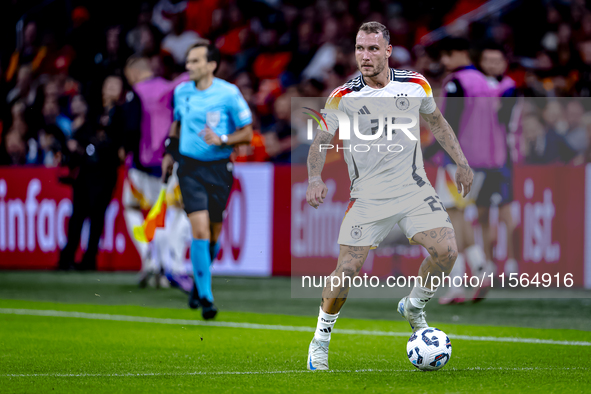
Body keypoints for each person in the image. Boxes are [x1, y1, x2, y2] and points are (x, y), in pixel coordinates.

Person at [305, 22, 473, 371]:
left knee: (447, 251)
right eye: (359, 48)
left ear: (387, 51)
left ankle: (414, 305)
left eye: (372, 49)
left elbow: (438, 123)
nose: (364, 56)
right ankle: (320, 340)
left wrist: (461, 162)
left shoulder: (415, 84)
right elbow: (321, 140)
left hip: (414, 189)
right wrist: (314, 177)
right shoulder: (342, 96)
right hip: (368, 197)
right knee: (348, 268)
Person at [161, 42, 253, 319]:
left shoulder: (228, 93)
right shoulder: (181, 91)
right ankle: (207, 297)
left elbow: (247, 133)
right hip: (188, 168)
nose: (188, 66)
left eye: (195, 61)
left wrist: (223, 139)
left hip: (219, 169)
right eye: (188, 61)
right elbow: (177, 123)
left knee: (213, 234)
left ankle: (198, 284)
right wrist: (169, 151)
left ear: (211, 65)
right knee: (199, 229)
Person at [423, 37, 491, 304]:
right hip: (483, 159)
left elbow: (447, 122)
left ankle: (467, 278)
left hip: (457, 158)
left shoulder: (456, 82)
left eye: (447, 55)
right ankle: (478, 269)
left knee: (452, 219)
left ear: (460, 53)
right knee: (460, 215)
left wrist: (428, 152)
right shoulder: (484, 82)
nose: (444, 61)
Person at [123, 56, 189, 289]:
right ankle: (172, 264)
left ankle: (149, 256)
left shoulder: (134, 92)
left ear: (132, 72)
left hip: (141, 164)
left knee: (133, 207)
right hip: (171, 158)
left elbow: (130, 128)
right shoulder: (170, 88)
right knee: (174, 210)